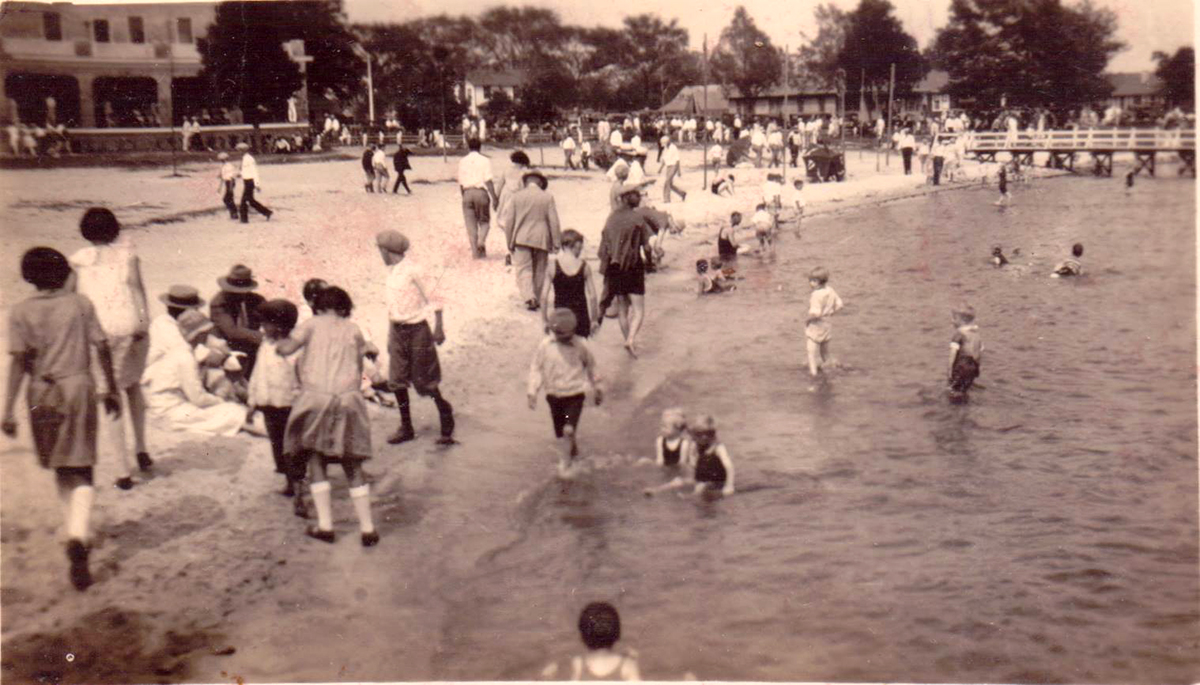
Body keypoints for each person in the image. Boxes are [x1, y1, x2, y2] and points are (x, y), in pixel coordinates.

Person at [3, 247, 122, 591]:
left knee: (59, 465)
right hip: (77, 386)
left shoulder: (20, 311)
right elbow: (102, 347)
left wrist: (8, 409)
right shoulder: (80, 304)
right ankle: (77, 536)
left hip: (41, 391)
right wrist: (111, 388)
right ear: (64, 274)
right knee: (82, 465)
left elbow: (19, 363)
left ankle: (73, 529)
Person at [275, 287, 378, 547]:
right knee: (352, 462)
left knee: (315, 458)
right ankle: (367, 529)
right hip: (348, 398)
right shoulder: (353, 329)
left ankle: (326, 526)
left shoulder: (310, 325)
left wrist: (275, 338)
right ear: (344, 307)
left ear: (318, 307)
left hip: (316, 398)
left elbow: (286, 350)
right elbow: (359, 364)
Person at [68, 208, 153, 489]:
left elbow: (72, 299)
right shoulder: (128, 255)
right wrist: (143, 324)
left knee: (109, 392)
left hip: (99, 330)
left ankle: (122, 470)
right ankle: (141, 449)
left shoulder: (78, 260)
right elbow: (138, 290)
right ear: (114, 229)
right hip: (129, 323)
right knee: (133, 386)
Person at [376, 231, 457, 446]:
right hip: (396, 329)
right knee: (397, 379)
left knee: (425, 380)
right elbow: (394, 306)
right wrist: (390, 336)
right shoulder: (392, 272)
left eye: (380, 251)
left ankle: (444, 411)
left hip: (418, 330)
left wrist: (439, 327)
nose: (380, 255)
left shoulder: (414, 270)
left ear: (387, 251)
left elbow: (435, 296)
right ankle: (406, 427)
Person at [142, 308, 252, 436]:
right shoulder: (185, 357)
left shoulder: (184, 351)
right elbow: (198, 399)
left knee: (229, 410)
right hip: (169, 411)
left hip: (165, 407)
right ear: (198, 335)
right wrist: (221, 401)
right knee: (234, 412)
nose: (208, 336)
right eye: (205, 333)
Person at [527, 309, 603, 474]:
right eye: (561, 335)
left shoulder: (581, 344)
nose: (566, 339)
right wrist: (532, 391)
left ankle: (565, 467)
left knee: (568, 430)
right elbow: (536, 369)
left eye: (569, 335)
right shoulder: (545, 346)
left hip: (574, 395)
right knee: (562, 433)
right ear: (553, 331)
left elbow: (592, 366)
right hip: (553, 396)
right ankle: (573, 452)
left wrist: (597, 386)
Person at [247, 299, 304, 509]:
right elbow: (257, 374)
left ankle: (299, 492)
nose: (262, 328)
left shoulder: (295, 350)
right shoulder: (265, 345)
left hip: (289, 406)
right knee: (278, 448)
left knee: (293, 450)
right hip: (268, 405)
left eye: (266, 324)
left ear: (279, 325)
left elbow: (301, 378)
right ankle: (290, 483)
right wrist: (252, 401)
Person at [597, 185, 655, 358]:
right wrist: (650, 263)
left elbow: (603, 248)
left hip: (615, 268)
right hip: (633, 266)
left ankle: (629, 342)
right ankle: (630, 339)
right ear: (628, 197)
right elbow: (647, 246)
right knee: (638, 310)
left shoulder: (611, 217)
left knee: (623, 310)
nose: (640, 198)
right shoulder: (637, 218)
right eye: (637, 195)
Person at [503, 170, 563, 312]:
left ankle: (529, 297)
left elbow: (509, 222)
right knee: (540, 269)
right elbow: (554, 221)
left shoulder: (516, 197)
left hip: (521, 238)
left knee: (524, 269)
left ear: (526, 182)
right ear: (540, 183)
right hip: (542, 238)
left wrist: (509, 242)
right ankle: (537, 296)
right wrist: (556, 242)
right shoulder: (547, 197)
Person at [542, 602, 640, 681]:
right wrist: (633, 661)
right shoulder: (626, 665)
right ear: (617, 633)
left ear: (583, 636)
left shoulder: (578, 664)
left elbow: (549, 673)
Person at [540, 229, 598, 339]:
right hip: (581, 317)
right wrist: (594, 320)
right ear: (574, 246)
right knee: (580, 349)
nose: (580, 251)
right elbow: (593, 297)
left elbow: (543, 297)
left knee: (562, 350)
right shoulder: (584, 267)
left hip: (561, 317)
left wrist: (545, 320)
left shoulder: (552, 266)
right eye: (579, 249)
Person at [210, 264, 266, 376]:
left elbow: (272, 315)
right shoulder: (219, 303)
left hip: (251, 352)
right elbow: (232, 331)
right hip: (227, 354)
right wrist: (264, 337)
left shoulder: (256, 300)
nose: (240, 293)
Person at [457, 138, 497, 258]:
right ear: (480, 147)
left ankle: (475, 253)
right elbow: (488, 180)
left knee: (471, 225)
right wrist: (494, 197)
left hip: (467, 192)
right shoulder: (485, 160)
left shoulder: (462, 161)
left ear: (468, 147)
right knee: (484, 221)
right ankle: (481, 241)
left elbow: (460, 182)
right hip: (481, 192)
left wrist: (463, 196)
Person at [494, 151, 533, 266]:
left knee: (505, 225)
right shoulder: (524, 172)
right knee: (518, 225)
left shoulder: (506, 170)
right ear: (522, 162)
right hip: (519, 199)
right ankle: (515, 250)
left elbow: (499, 185)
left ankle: (508, 251)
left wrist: (495, 200)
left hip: (506, 198)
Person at [805, 266, 844, 380]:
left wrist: (807, 320)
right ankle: (831, 369)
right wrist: (831, 312)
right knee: (825, 351)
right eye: (810, 280)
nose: (810, 283)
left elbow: (815, 313)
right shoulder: (830, 290)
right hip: (827, 323)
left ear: (819, 282)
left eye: (813, 281)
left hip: (816, 324)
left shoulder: (816, 295)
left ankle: (814, 376)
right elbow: (840, 304)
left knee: (811, 352)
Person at [947, 304, 983, 402]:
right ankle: (965, 403)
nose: (952, 321)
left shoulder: (959, 335)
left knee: (954, 391)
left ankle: (956, 411)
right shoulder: (976, 335)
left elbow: (952, 355)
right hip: (973, 366)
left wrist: (949, 372)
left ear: (961, 320)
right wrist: (977, 369)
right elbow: (978, 354)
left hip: (961, 366)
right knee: (964, 389)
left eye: (954, 318)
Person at [237, 142, 272, 223]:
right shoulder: (244, 158)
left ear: (242, 150)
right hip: (246, 181)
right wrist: (240, 174)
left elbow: (254, 172)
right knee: (251, 200)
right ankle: (267, 212)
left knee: (244, 201)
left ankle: (244, 219)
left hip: (250, 181)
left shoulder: (249, 159)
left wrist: (257, 184)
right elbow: (245, 171)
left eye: (239, 150)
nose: (238, 152)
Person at [660, 136, 686, 203]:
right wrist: (660, 168)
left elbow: (677, 160)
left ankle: (667, 199)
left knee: (667, 182)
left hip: (674, 166)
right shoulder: (665, 149)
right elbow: (664, 159)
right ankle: (682, 193)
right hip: (668, 166)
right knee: (670, 184)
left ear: (668, 142)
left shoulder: (673, 148)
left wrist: (679, 171)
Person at [217, 152, 240, 220]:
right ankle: (233, 213)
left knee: (227, 199)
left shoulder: (229, 166)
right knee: (229, 199)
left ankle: (234, 212)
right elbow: (222, 177)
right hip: (227, 182)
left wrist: (230, 188)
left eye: (222, 159)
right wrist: (220, 187)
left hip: (230, 182)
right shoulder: (223, 166)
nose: (221, 161)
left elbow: (231, 177)